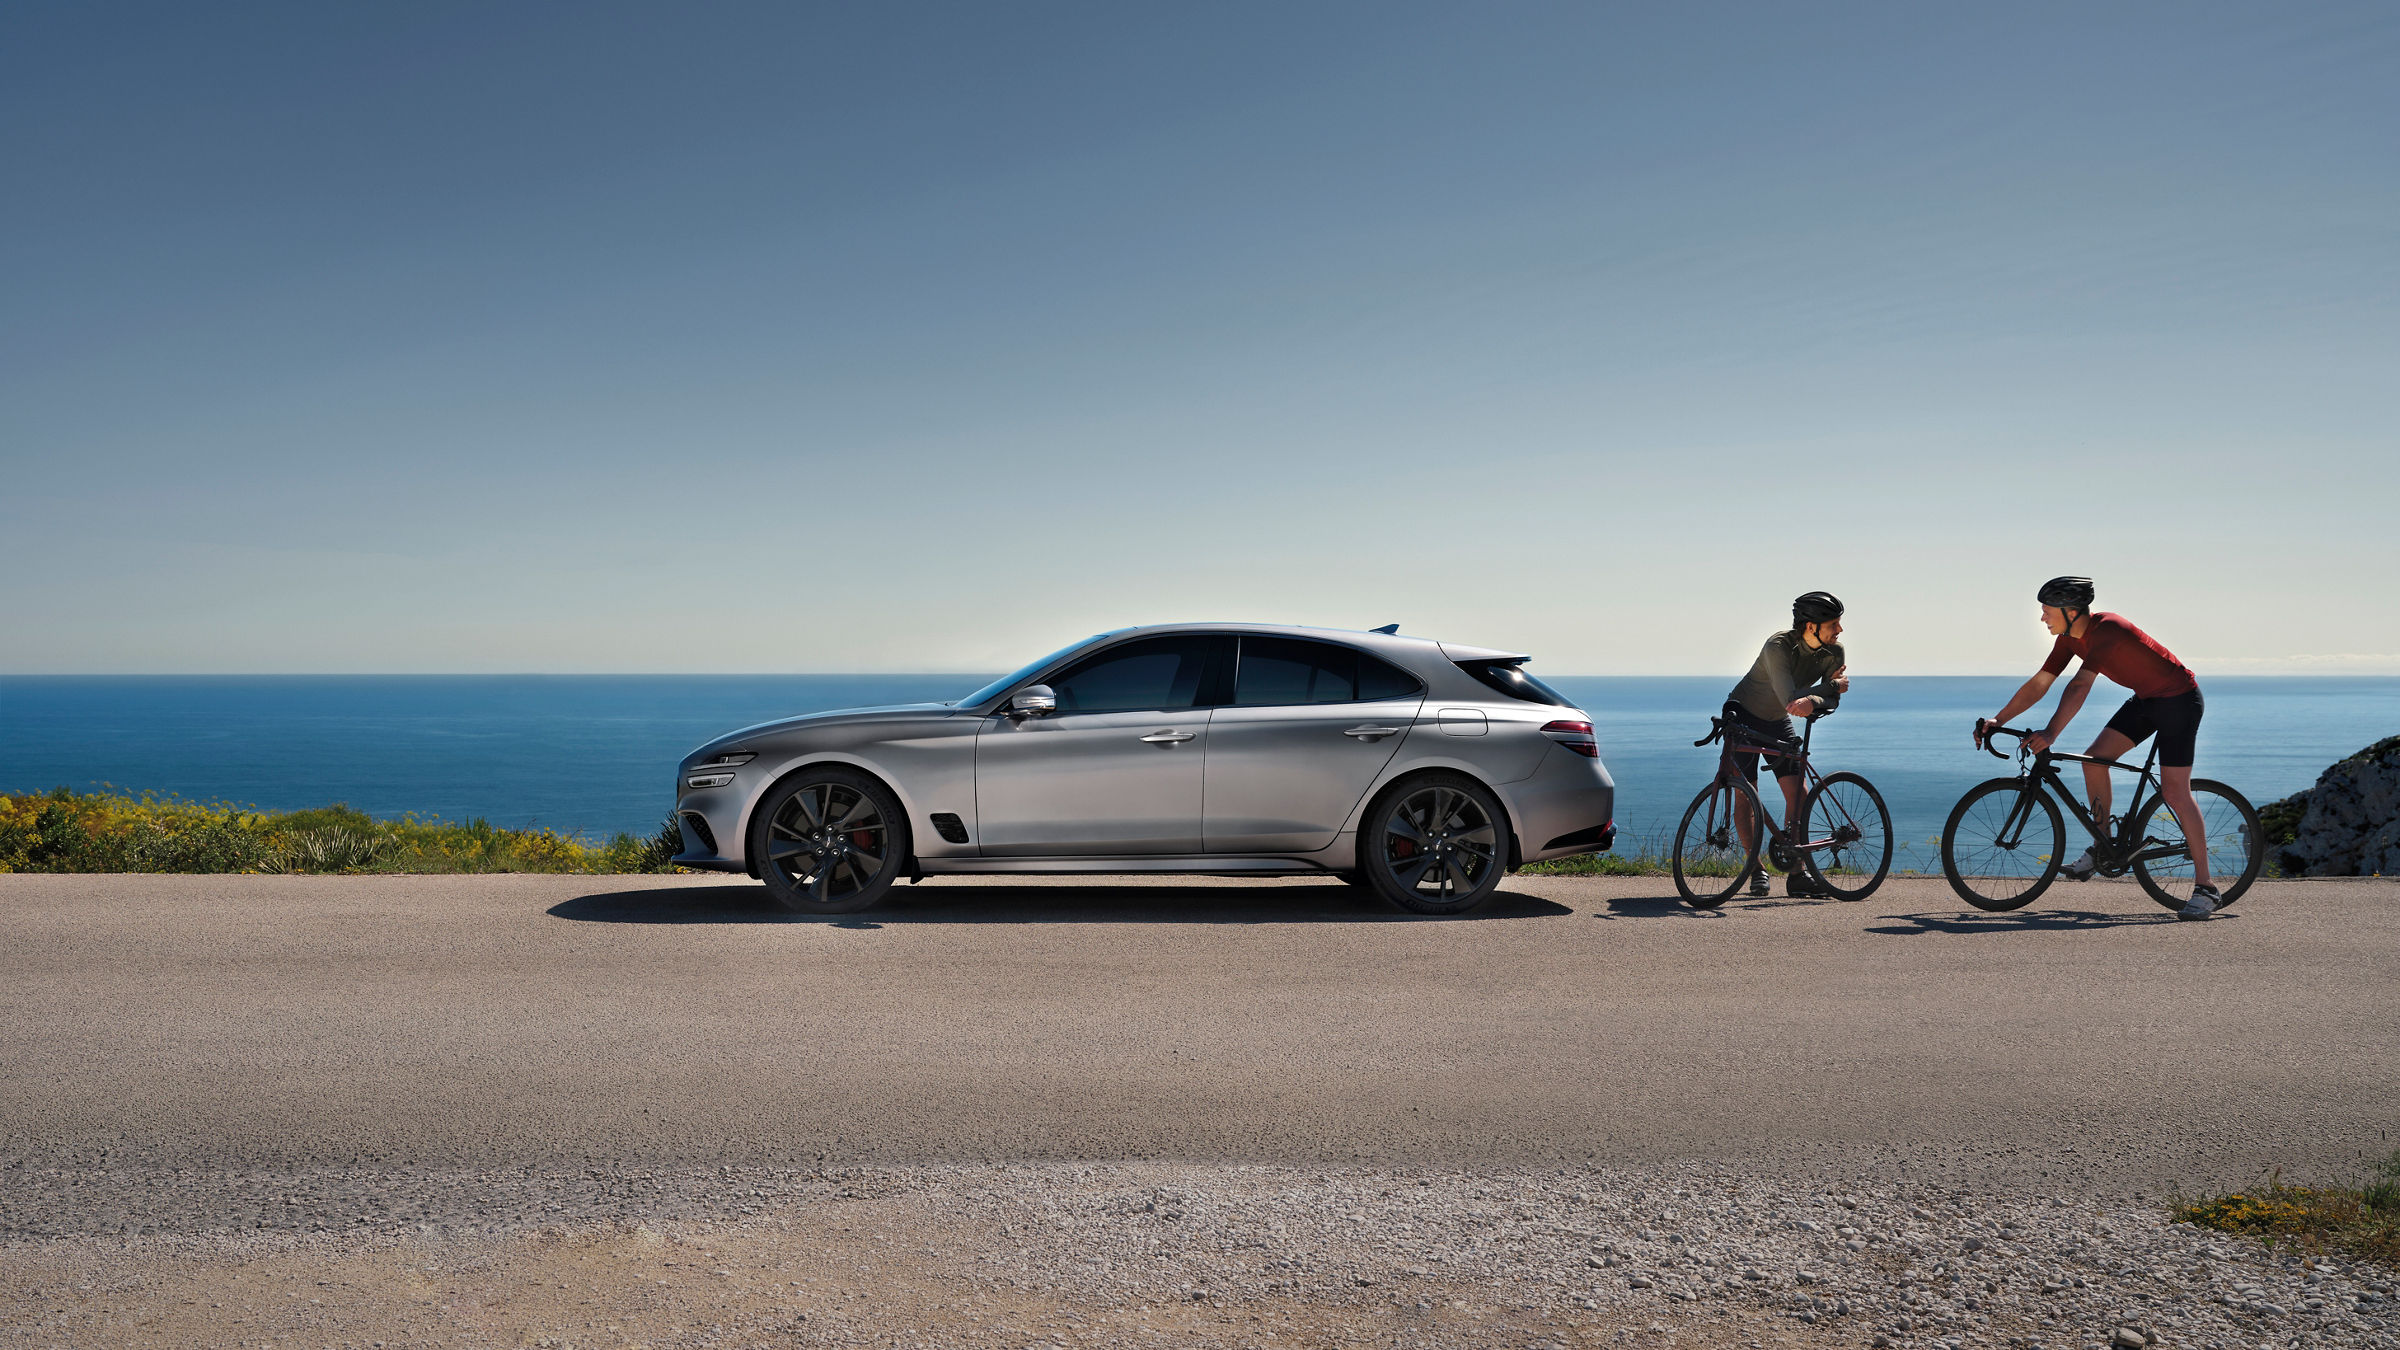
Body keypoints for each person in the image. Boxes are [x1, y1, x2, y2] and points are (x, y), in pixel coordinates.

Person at [1976, 576, 2217, 919]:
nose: (2043, 618)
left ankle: (2206, 887)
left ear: (2071, 611)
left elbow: (2080, 685)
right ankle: (2101, 847)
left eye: (2047, 611)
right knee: (2094, 761)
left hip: (2179, 700)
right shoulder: (2068, 639)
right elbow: (2040, 683)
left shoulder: (2109, 629)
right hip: (2147, 700)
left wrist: (2052, 731)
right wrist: (1998, 720)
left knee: (2175, 791)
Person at [1724, 591, 1850, 898]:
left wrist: (1815, 698)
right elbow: (1792, 699)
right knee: (1746, 796)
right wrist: (1829, 686)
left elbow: (1827, 701)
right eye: (1834, 624)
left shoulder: (1834, 652)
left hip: (1777, 719)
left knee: (1799, 792)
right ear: (1811, 627)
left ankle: (1797, 871)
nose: (1840, 630)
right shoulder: (1778, 646)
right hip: (1744, 714)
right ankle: (1756, 870)